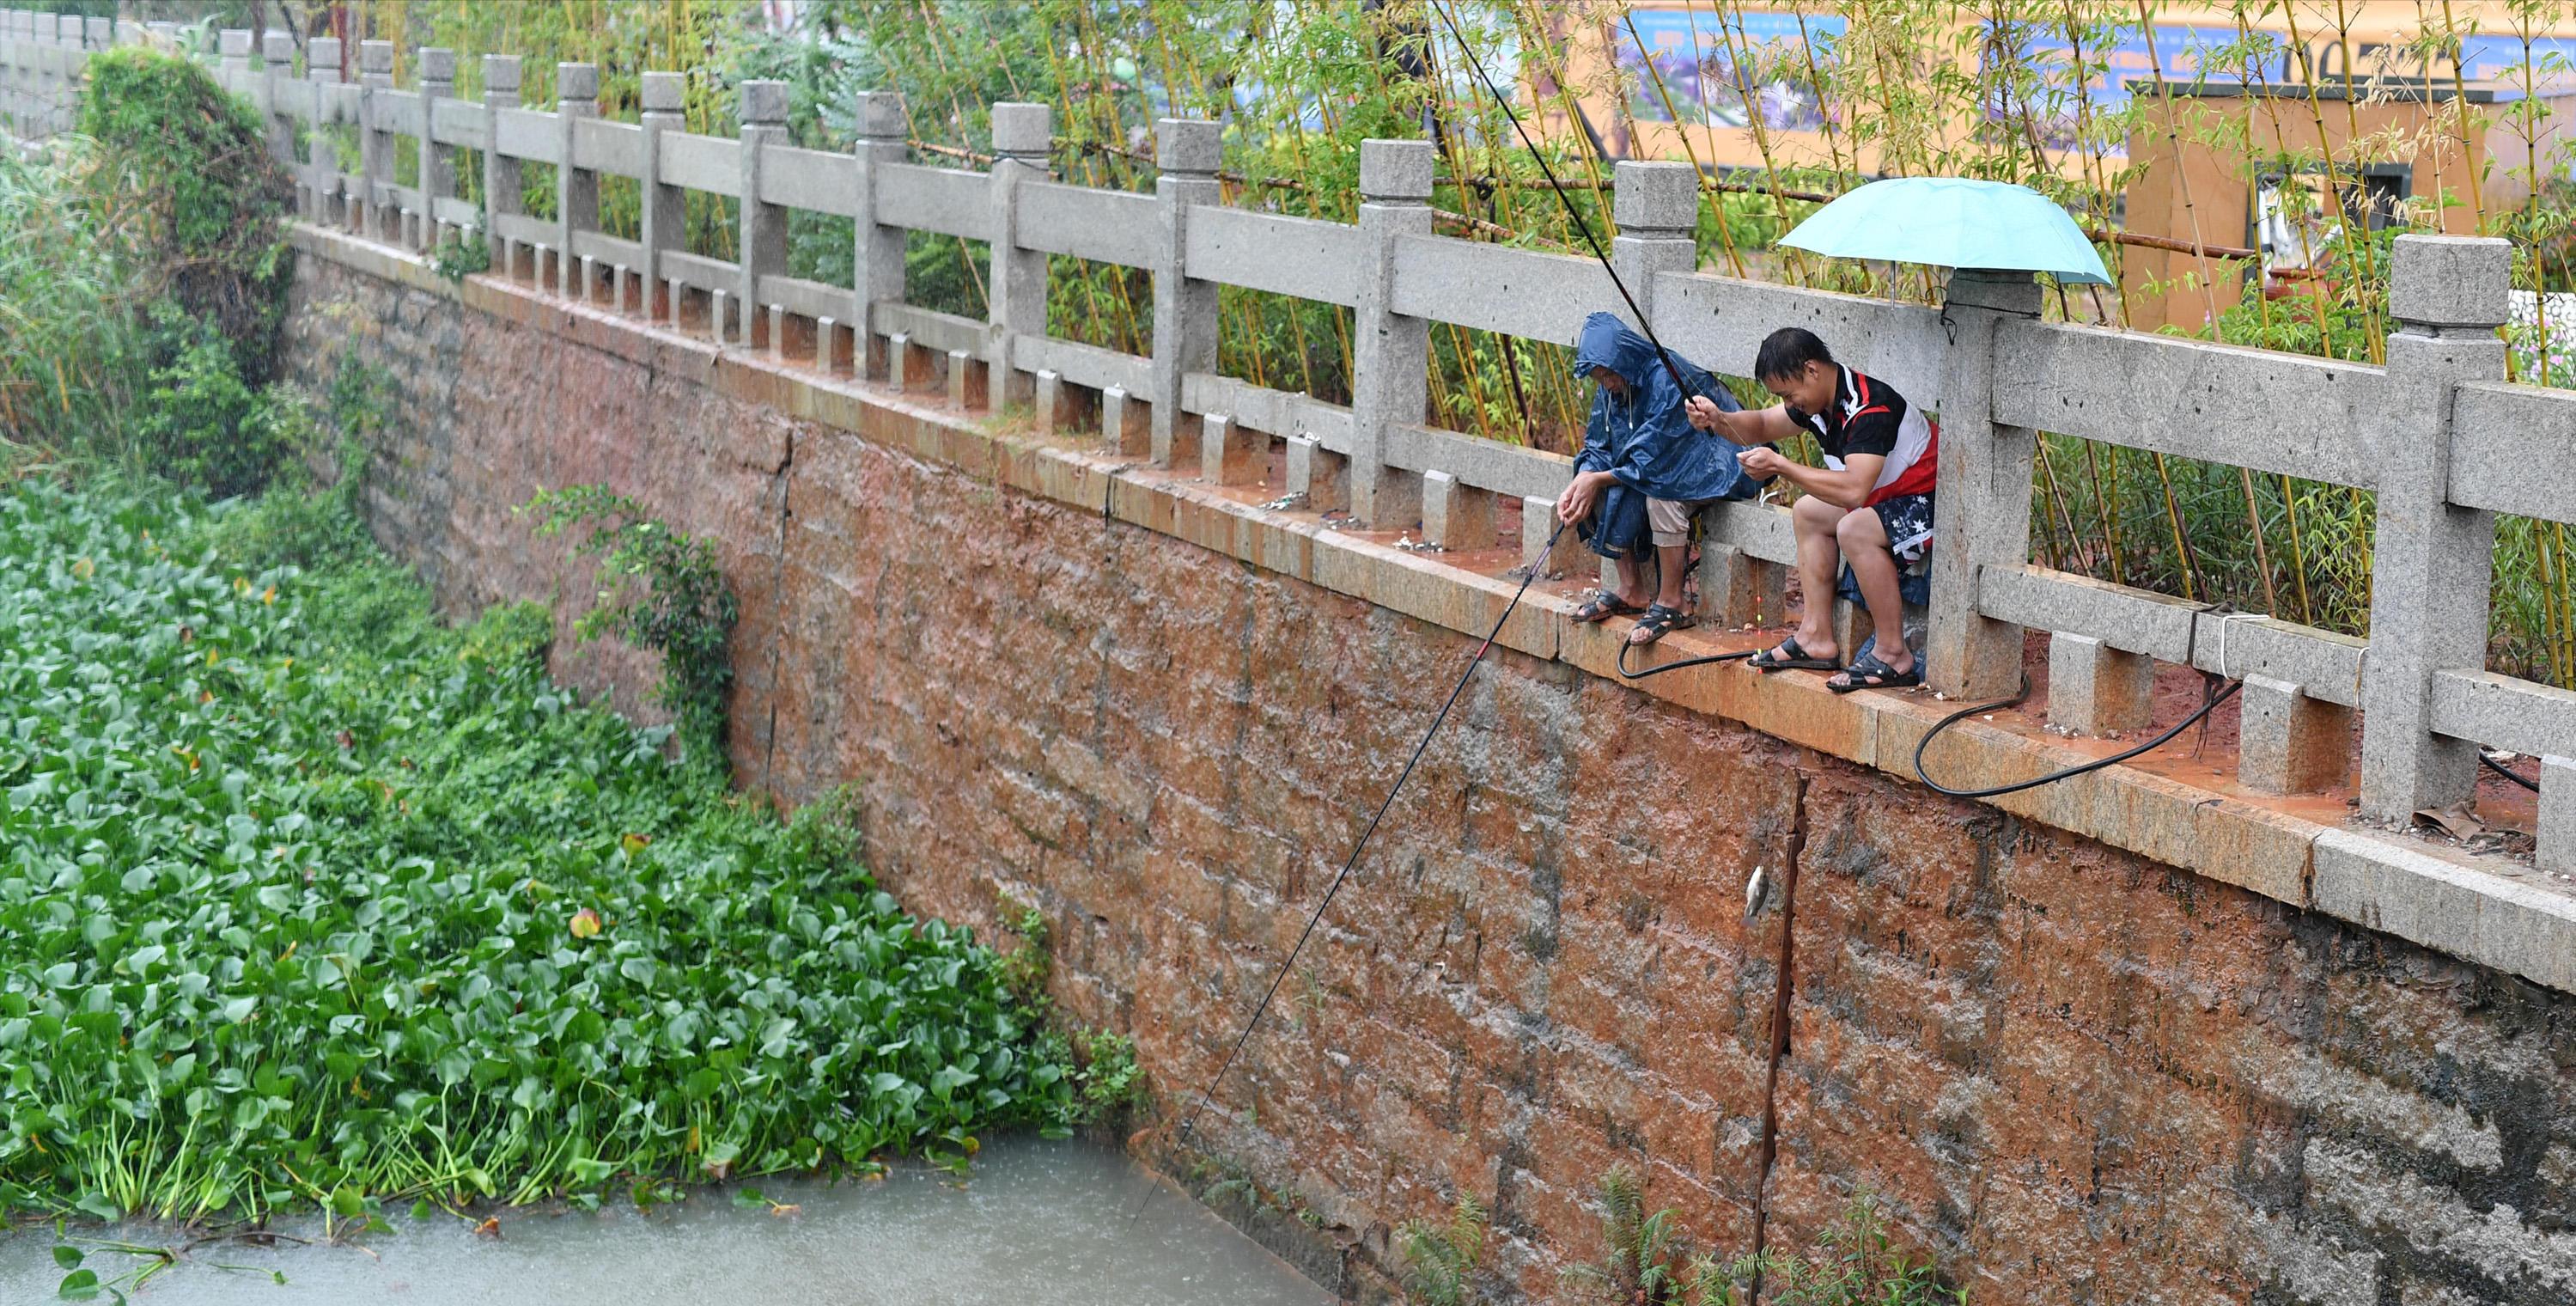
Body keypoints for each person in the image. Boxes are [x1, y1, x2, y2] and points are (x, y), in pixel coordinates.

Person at [1684, 326, 1934, 693]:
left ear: (1812, 370)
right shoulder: (1818, 401)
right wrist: (1719, 419)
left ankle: (1893, 653)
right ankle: (1816, 636)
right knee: (1808, 512)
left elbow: (1854, 490)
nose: (1790, 403)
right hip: (1886, 498)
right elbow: (1763, 424)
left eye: (1789, 394)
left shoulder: (1868, 408)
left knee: (1853, 529)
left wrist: (1782, 466)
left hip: (1930, 502)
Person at [1553, 312, 1764, 646]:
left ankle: (1673, 601)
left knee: (1661, 496)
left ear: (1622, 361)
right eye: (1599, 379)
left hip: (1716, 460)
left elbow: (1655, 456)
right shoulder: (1613, 384)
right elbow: (1597, 445)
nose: (1606, 384)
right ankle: (1631, 590)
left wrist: (1598, 478)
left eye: (1608, 375)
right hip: (1661, 464)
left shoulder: (1666, 376)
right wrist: (1584, 476)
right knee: (1593, 481)